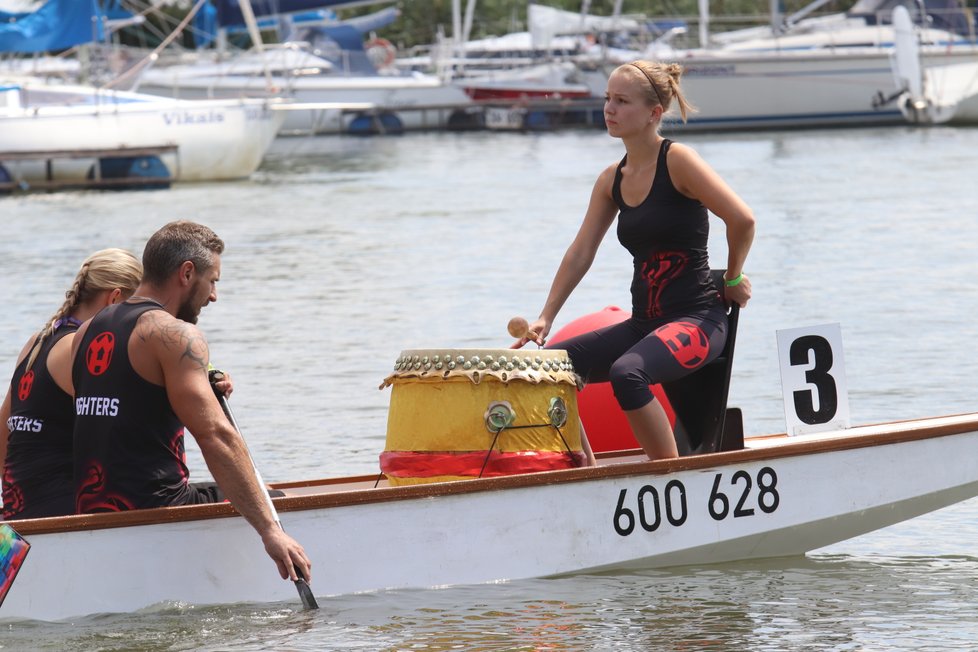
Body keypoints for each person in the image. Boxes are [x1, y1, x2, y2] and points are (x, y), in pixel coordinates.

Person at [513, 61, 755, 462]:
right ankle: (587, 475)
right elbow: (580, 253)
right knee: (545, 370)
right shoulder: (612, 179)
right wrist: (546, 317)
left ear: (653, 113)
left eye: (622, 101)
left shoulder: (678, 160)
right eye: (608, 98)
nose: (609, 108)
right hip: (644, 324)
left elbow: (742, 219)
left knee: (630, 373)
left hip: (698, 321)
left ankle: (669, 478)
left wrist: (732, 277)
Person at [69, 221, 311, 585]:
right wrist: (270, 530)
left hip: (90, 506)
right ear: (187, 273)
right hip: (159, 509)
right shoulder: (175, 335)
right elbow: (216, 436)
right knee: (279, 498)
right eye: (213, 281)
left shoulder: (88, 330)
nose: (213, 295)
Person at [1, 248, 143, 520]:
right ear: (114, 299)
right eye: (136, 313)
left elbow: (3, 436)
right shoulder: (83, 350)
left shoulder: (35, 343)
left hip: (17, 515)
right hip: (64, 514)